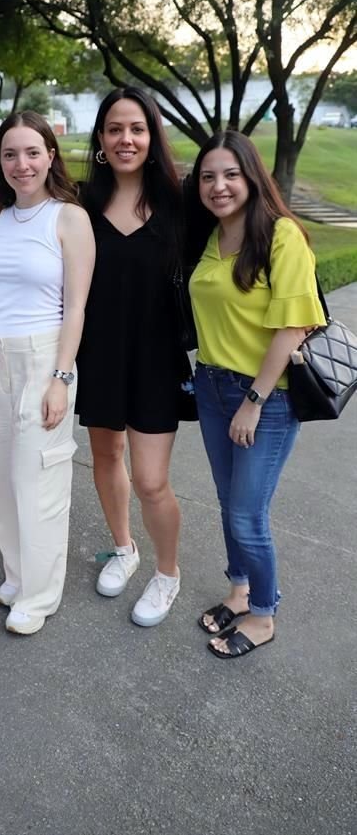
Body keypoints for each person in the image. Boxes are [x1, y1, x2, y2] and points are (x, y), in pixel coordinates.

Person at [188, 130, 326, 659]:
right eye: (208, 176)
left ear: (251, 176)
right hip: (210, 385)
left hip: (265, 398)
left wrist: (255, 399)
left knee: (248, 512)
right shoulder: (212, 237)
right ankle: (239, 591)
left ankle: (264, 614)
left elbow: (291, 328)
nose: (219, 186)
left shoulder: (281, 235)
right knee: (228, 504)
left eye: (230, 174)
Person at [76, 86, 193, 628]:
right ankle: (124, 548)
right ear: (100, 139)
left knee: (151, 480)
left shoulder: (180, 204)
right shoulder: (78, 204)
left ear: (152, 137)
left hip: (156, 359)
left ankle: (167, 573)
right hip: (98, 354)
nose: (126, 139)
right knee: (105, 456)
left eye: (137, 129)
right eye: (116, 129)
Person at [0, 110, 95, 635]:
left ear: (50, 155)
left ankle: (41, 594)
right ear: (0, 162)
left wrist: (61, 378)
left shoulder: (68, 218)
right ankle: (18, 573)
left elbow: (77, 307)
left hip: (44, 357)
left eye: (31, 152)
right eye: (9, 154)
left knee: (38, 478)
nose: (21, 164)